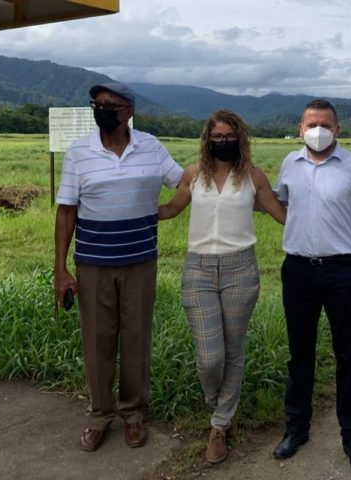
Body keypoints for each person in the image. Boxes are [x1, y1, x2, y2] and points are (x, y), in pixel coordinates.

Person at [53, 83, 184, 452]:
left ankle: (133, 413)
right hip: (93, 264)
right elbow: (66, 212)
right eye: (97, 104)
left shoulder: (151, 146)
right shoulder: (79, 152)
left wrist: (171, 209)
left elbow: (183, 180)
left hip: (141, 262)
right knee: (97, 340)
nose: (102, 109)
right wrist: (60, 270)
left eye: (111, 105)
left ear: (129, 111)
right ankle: (99, 415)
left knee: (136, 339)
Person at [157, 110, 286, 464]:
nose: (223, 141)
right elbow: (170, 209)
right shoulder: (193, 175)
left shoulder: (253, 177)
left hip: (240, 268)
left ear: (240, 139)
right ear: (207, 140)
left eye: (229, 136)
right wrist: (133, 210)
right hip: (198, 269)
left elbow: (280, 213)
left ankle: (219, 424)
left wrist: (328, 230)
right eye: (217, 137)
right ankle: (218, 404)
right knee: (211, 357)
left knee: (234, 348)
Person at [271, 99, 351, 473]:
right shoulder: (289, 164)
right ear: (300, 128)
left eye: (325, 124)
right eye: (311, 123)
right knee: (300, 352)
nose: (318, 130)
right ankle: (296, 427)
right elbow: (279, 203)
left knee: (348, 353)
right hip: (298, 269)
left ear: (338, 129)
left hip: (343, 271)